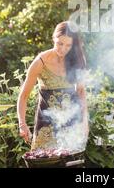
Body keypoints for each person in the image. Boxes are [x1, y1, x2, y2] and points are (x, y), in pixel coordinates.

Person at [17, 21, 89, 152]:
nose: (63, 49)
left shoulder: (77, 60)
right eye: (59, 43)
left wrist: (84, 122)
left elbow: (81, 92)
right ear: (53, 39)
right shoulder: (41, 62)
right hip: (46, 125)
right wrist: (22, 124)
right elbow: (24, 96)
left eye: (68, 45)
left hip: (71, 122)